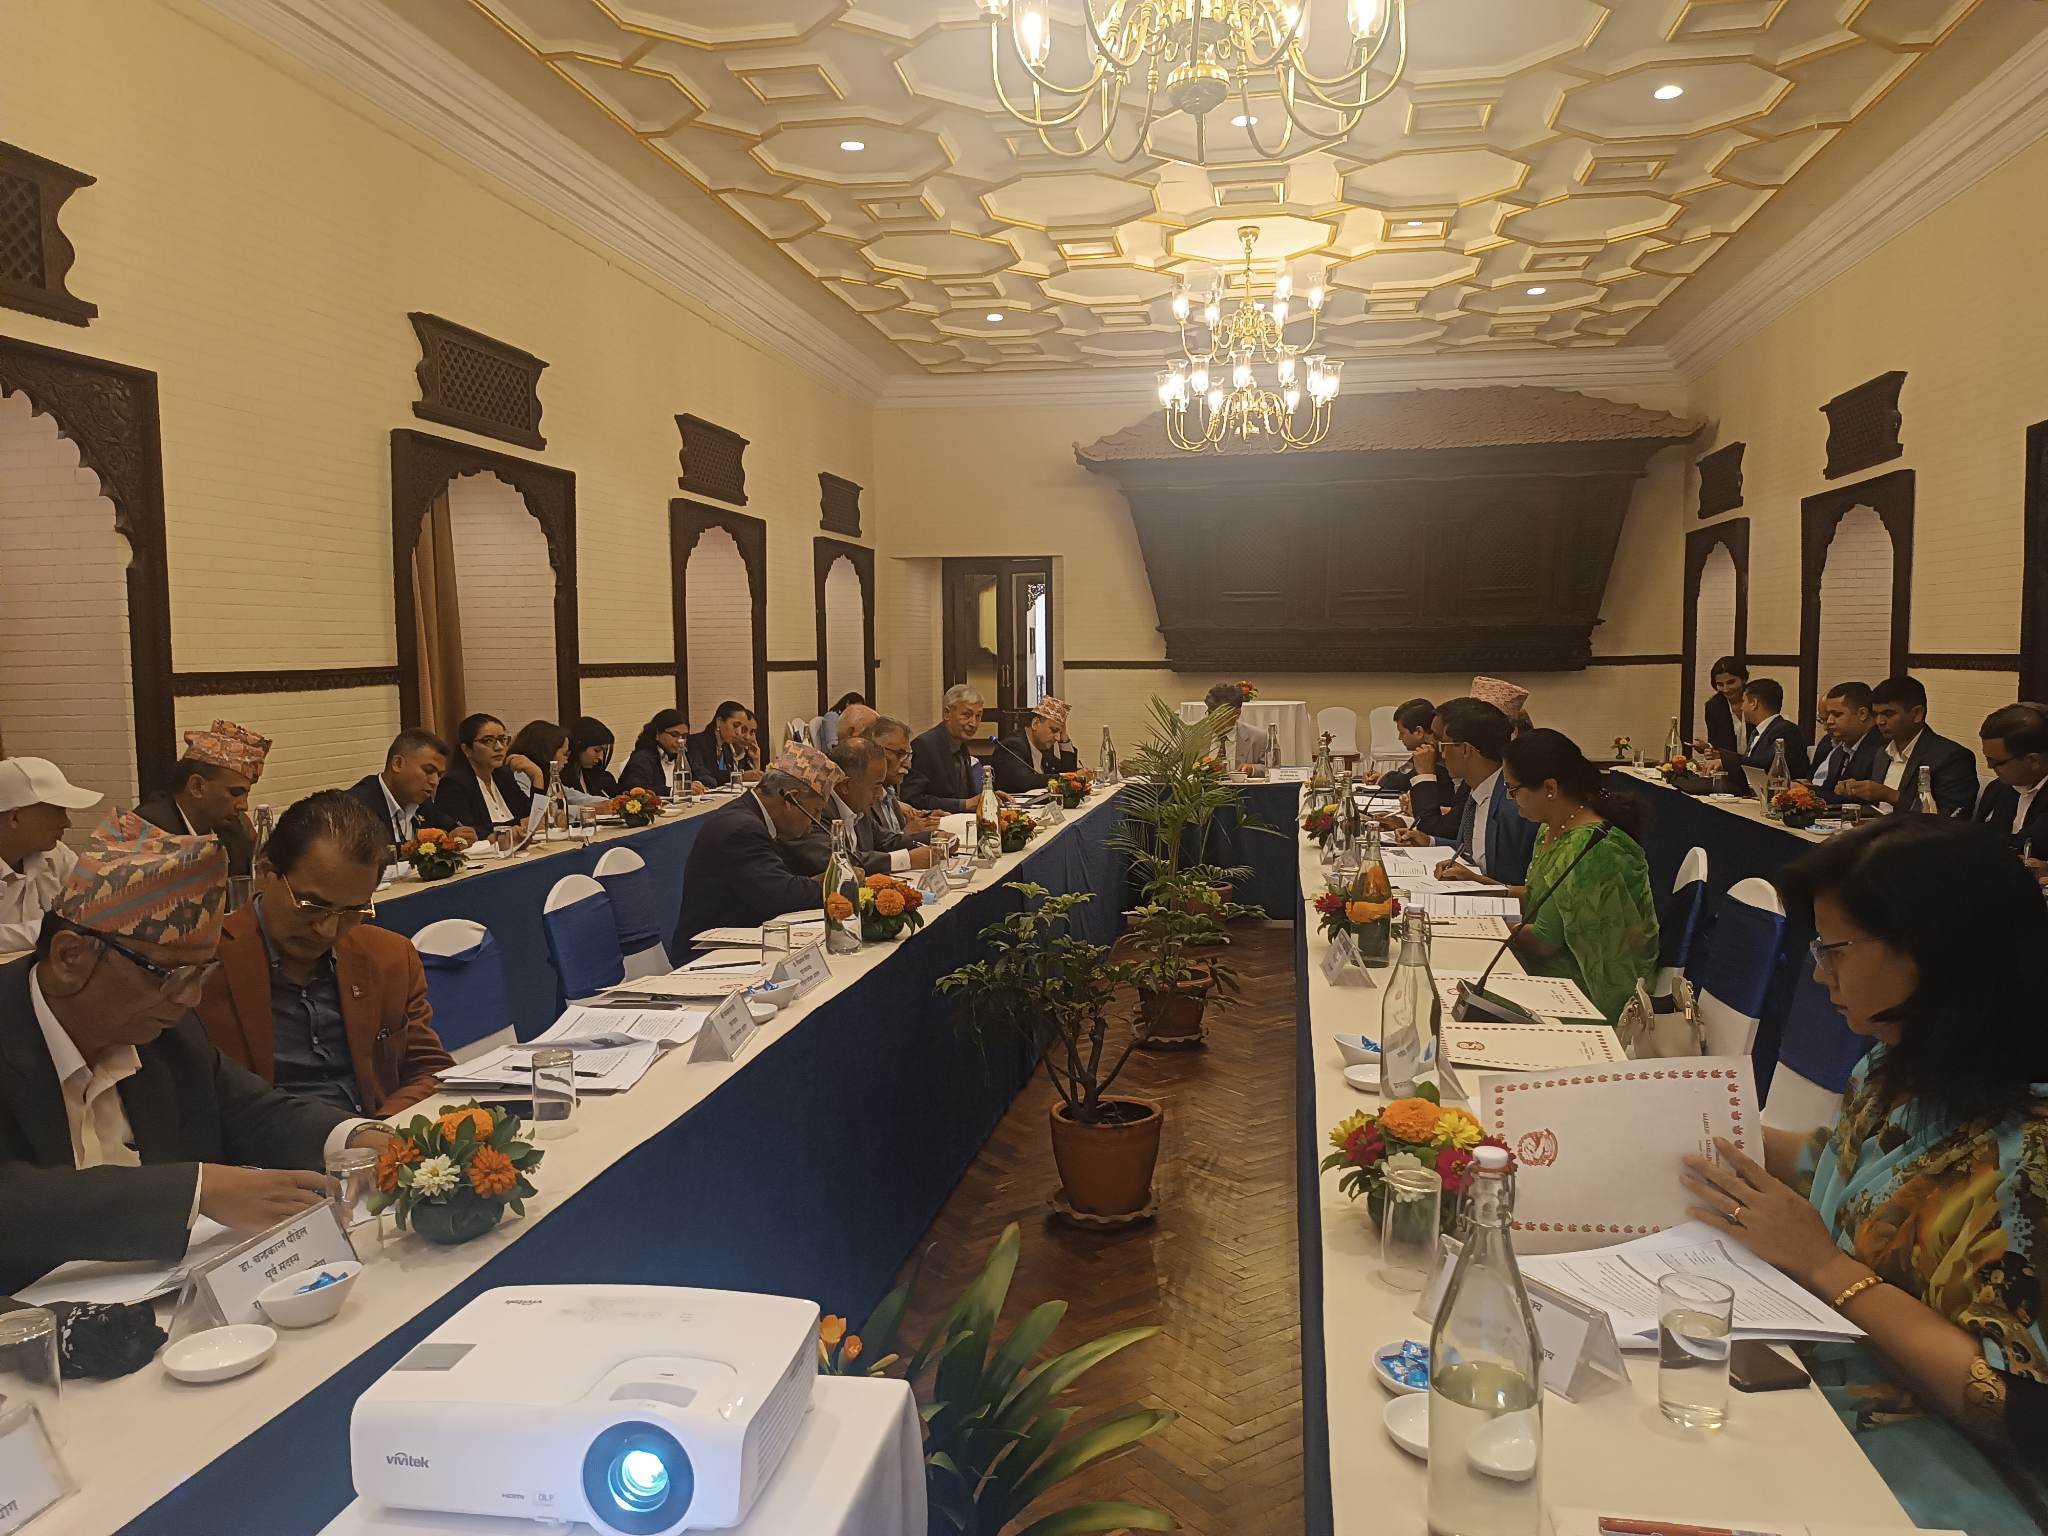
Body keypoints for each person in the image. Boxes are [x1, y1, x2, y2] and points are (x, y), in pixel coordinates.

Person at [1678, 817, 2048, 1533]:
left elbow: (2014, 1409)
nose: (1819, 974)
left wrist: (1825, 1266)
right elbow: (1853, 1168)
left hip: (1952, 1470)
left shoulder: (2029, 1153)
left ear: (1933, 950)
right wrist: (1683, 1125)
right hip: (1831, 1376)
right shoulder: (1901, 1059)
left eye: (1836, 950)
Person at [0, 811, 395, 1295]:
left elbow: (250, 1111)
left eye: (201, 972)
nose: (190, 997)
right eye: (169, 974)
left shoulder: (167, 1032)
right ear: (69, 957)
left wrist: (359, 1137)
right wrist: (197, 1191)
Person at [199, 791, 452, 1117]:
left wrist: (373, 1133)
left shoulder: (390, 957)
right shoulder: (203, 967)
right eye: (311, 906)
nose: (327, 930)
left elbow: (429, 1070)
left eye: (352, 910)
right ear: (265, 871)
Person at [1500, 730, 1660, 1023]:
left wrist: (1490, 926)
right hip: (1551, 970)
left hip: (1586, 988)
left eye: (1513, 789)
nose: (1511, 799)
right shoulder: (1552, 827)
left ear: (1550, 788)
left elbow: (1545, 941)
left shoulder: (1590, 847)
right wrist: (1485, 891)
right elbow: (1542, 896)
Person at [673, 744, 839, 943]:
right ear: (791, 799)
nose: (815, 822)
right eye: (815, 811)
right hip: (710, 950)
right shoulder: (740, 828)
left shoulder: (752, 816)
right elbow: (781, 896)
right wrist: (837, 882)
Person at [1401, 697, 1538, 889]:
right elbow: (1473, 850)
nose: (1439, 753)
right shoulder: (1478, 789)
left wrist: (1478, 882)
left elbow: (1530, 890)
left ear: (1465, 749)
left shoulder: (1515, 804)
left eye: (1441, 743)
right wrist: (1430, 841)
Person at [136, 719, 270, 878]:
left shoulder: (234, 831)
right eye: (235, 792)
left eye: (246, 794)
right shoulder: (147, 832)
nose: (244, 806)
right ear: (197, 787)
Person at [784, 740, 939, 877]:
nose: (879, 794)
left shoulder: (858, 805)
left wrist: (936, 838)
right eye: (876, 786)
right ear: (846, 785)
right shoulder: (816, 811)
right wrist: (906, 860)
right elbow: (838, 861)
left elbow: (886, 841)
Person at [1835, 676, 1977, 818]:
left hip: (1916, 831)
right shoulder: (1882, 753)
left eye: (1888, 714)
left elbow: (1950, 819)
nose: (1879, 721)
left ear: (1917, 714)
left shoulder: (1951, 757)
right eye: (1876, 714)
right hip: (1877, 828)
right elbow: (1876, 806)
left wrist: (1890, 795)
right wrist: (1856, 790)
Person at [0, 758, 102, 954]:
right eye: (57, 811)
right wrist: (59, 930)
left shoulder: (56, 855)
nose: (67, 823)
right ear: (15, 818)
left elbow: (93, 909)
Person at [346, 729, 467, 855]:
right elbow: (363, 855)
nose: (435, 781)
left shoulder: (423, 803)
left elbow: (450, 827)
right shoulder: (356, 806)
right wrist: (411, 848)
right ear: (397, 764)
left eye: (439, 775)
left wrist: (458, 834)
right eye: (428, 770)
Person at [435, 714, 538, 831]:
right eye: (488, 741)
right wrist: (517, 824)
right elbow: (467, 832)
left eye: (502, 739)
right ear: (467, 749)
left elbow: (532, 817)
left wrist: (537, 777)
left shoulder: (504, 776)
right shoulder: (454, 783)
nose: (499, 747)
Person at [855, 715, 945, 844]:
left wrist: (925, 820)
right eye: (900, 754)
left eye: (908, 755)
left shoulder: (890, 791)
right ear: (874, 751)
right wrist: (908, 835)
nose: (908, 765)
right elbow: (873, 849)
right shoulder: (861, 797)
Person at [1974, 702, 2048, 859]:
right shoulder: (1998, 788)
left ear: (2033, 761)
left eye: (1997, 762)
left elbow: (2027, 843)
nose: (1989, 766)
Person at [904, 685, 990, 814]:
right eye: (966, 715)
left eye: (978, 716)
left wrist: (988, 797)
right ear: (947, 714)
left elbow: (967, 795)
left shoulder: (961, 745)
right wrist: (962, 805)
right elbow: (912, 799)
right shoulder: (925, 746)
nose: (973, 723)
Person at [1709, 678, 1811, 784]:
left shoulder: (1787, 730)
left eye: (1743, 701)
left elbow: (1768, 763)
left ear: (1754, 703)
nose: (1741, 707)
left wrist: (1727, 762)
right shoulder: (1758, 731)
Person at [1811, 682, 1884, 803]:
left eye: (1837, 714)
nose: (1829, 721)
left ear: (1862, 714)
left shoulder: (1881, 749)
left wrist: (1807, 792)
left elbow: (1860, 802)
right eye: (1828, 715)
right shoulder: (1840, 749)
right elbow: (1829, 792)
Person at [991, 696, 1082, 792]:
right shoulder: (1012, 746)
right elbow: (1024, 781)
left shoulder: (1045, 747)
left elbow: (1067, 774)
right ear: (1035, 724)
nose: (1057, 738)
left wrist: (1065, 740)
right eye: (1054, 730)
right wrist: (1066, 777)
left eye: (1060, 732)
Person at [1366, 699, 1446, 796]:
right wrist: (1381, 777)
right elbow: (1402, 774)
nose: (1399, 738)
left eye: (1402, 732)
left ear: (1419, 732)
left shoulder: (1431, 752)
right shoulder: (1428, 747)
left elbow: (1399, 783)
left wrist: (1383, 779)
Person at [619, 709, 704, 800]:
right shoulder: (642, 758)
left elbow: (706, 776)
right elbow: (638, 789)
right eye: (674, 734)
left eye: (684, 736)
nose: (680, 741)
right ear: (657, 734)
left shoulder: (682, 755)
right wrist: (675, 791)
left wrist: (698, 784)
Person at [687, 701, 762, 789]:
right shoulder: (697, 742)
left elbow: (725, 776)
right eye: (735, 725)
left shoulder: (726, 747)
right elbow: (706, 777)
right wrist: (740, 776)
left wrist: (756, 761)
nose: (738, 732)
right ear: (719, 721)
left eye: (741, 728)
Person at [1203, 682, 1266, 764]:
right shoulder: (1197, 738)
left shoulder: (1258, 738)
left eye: (1220, 715)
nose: (1212, 719)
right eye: (1210, 713)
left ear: (1237, 713)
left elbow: (1270, 767)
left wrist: (1253, 769)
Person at [1702, 656, 1747, 759]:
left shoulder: (1757, 701)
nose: (1725, 689)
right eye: (1720, 684)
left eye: (1731, 682)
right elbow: (1717, 746)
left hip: (1758, 765)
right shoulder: (1713, 707)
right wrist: (1708, 748)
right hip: (1728, 765)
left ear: (1743, 679)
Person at [563, 716, 618, 799]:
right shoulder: (563, 778)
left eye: (603, 751)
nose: (601, 757)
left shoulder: (601, 777)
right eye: (597, 750)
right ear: (579, 746)